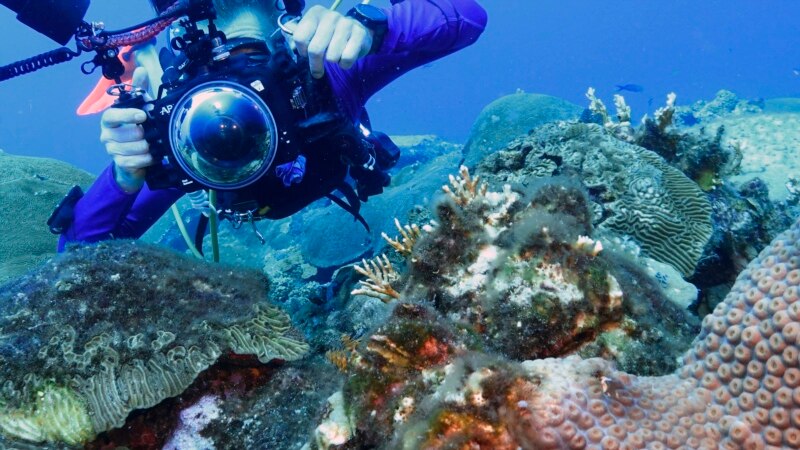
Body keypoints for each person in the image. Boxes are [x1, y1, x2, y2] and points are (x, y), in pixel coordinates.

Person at [57, 0, 487, 250]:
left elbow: (466, 17)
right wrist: (124, 175)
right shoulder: (186, 131)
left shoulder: (321, 71)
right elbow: (78, 258)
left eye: (254, 64)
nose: (229, 121)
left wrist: (369, 26)